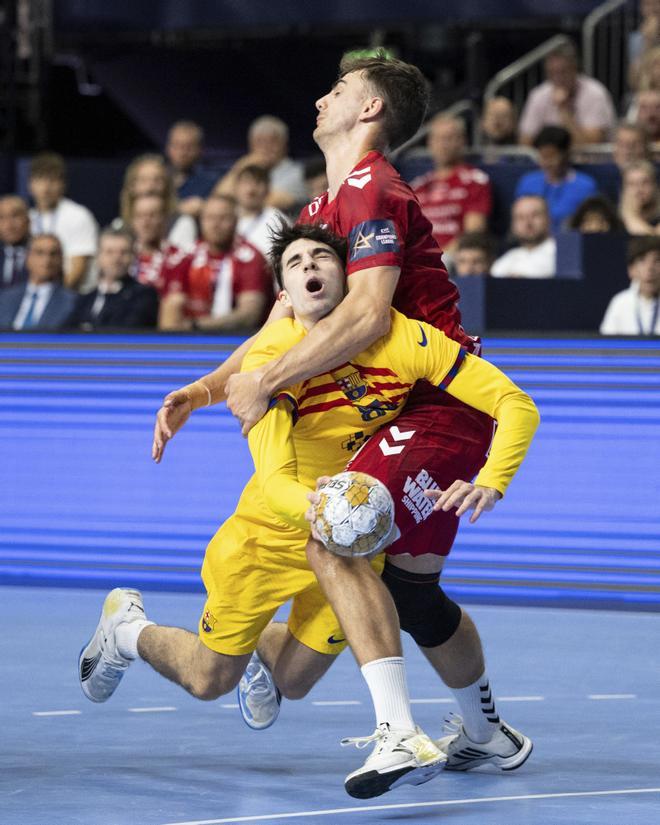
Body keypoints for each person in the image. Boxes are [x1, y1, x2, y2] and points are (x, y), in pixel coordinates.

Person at [153, 52, 535, 785]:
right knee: (412, 594)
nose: (321, 99)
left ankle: (397, 732)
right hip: (410, 410)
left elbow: (363, 315)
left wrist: (266, 382)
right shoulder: (319, 212)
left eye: (338, 90)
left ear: (369, 111)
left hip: (434, 401)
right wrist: (206, 390)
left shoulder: (370, 186)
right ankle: (489, 734)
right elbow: (280, 326)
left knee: (336, 538)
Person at [82, 224, 538, 800]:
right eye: (293, 263)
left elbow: (514, 403)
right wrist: (335, 508)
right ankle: (128, 629)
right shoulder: (272, 361)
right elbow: (274, 486)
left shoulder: (402, 337)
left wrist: (493, 480)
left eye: (321, 255)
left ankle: (379, 718)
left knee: (294, 683)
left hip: (342, 532)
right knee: (207, 678)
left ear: (350, 278)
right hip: (271, 535)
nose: (308, 266)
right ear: (283, 294)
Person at [159, 195, 272, 332]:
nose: (216, 224)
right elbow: (170, 313)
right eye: (210, 218)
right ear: (201, 221)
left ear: (236, 221)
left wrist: (197, 326)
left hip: (240, 339)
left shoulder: (250, 258)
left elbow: (249, 315)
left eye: (223, 218)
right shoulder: (185, 257)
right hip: (189, 342)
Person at [411, 114, 492, 256]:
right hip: (417, 259)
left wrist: (437, 258)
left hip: (452, 258)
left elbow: (473, 234)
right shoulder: (418, 185)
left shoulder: (475, 181)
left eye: (449, 138)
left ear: (462, 141)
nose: (443, 145)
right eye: (438, 139)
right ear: (430, 143)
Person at [518, 40, 616, 146]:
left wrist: (564, 111)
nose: (557, 78)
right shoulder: (538, 95)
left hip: (591, 162)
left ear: (575, 69)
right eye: (552, 73)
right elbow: (525, 142)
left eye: (562, 72)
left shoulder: (595, 93)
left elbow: (590, 145)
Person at [28, 153, 98, 291]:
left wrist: (54, 299)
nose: (46, 188)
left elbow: (78, 268)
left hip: (72, 295)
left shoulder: (78, 215)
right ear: (30, 184)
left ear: (63, 185)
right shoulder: (28, 218)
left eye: (52, 180)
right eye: (40, 180)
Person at [70, 227, 158, 330]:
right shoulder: (85, 299)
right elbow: (62, 334)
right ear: (98, 257)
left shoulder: (143, 295)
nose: (117, 258)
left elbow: (125, 329)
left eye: (123, 252)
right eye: (109, 252)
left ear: (132, 257)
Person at [515, 126, 598, 231]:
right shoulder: (528, 183)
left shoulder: (585, 186)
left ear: (566, 154)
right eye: (543, 156)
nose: (547, 162)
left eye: (552, 156)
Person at [216, 116, 307, 212]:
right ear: (250, 145)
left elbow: (270, 203)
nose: (266, 147)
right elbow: (219, 198)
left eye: (272, 141)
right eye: (259, 141)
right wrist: (240, 167)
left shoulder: (297, 173)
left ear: (285, 145)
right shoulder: (245, 168)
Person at [117, 154, 197, 251]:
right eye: (143, 180)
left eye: (157, 180)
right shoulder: (119, 226)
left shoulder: (183, 223)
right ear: (132, 186)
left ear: (167, 186)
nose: (150, 187)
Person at [0, 234, 76, 330]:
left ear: (61, 260)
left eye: (53, 254)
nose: (47, 260)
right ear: (27, 257)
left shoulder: (72, 303)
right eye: (39, 253)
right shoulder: (5, 298)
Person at [129, 193, 192, 300]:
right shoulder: (123, 257)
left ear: (164, 219)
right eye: (140, 216)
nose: (146, 222)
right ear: (132, 221)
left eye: (152, 215)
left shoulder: (180, 260)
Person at [600, 235, 660, 334]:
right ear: (631, 270)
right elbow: (606, 345)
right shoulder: (620, 302)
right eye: (642, 260)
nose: (650, 268)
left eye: (657, 260)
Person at [491, 196, 556, 278]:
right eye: (520, 217)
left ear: (548, 219)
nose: (528, 223)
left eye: (534, 215)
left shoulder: (562, 254)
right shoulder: (505, 260)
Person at [235, 164, 290, 257]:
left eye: (258, 183)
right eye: (246, 182)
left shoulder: (278, 221)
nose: (251, 190)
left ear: (268, 189)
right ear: (235, 188)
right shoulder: (224, 217)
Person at [619, 159, 660, 234]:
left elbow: (653, 242)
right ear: (624, 189)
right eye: (632, 184)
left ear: (655, 186)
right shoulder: (613, 219)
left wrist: (630, 216)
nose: (639, 190)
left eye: (645, 183)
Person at [0, 195, 30, 289]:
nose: (9, 225)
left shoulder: (41, 253)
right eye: (1, 218)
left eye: (15, 216)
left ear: (28, 220)